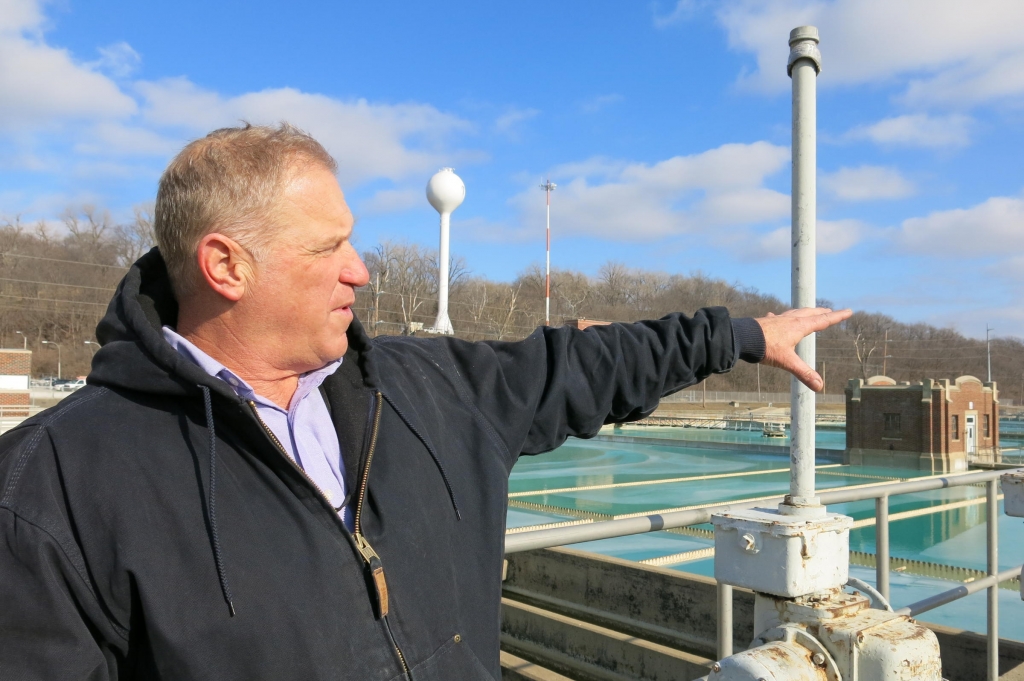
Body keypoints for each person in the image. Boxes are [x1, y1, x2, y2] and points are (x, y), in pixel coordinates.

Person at [0, 124, 851, 680]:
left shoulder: (424, 387)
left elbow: (586, 362)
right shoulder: (54, 487)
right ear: (227, 266)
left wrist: (738, 335)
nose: (359, 268)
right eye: (329, 245)